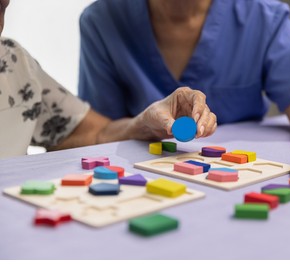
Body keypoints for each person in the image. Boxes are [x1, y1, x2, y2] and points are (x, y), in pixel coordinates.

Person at [78, 0, 290, 188]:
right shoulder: (101, 20)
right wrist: (140, 126)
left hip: (245, 183)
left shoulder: (263, 16)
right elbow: (97, 132)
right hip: (141, 185)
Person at [0, 0, 216, 159]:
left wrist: (145, 124)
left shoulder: (12, 62)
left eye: (1, 8)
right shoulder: (103, 20)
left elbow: (92, 134)